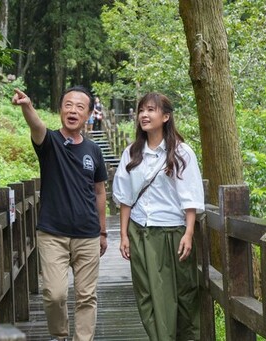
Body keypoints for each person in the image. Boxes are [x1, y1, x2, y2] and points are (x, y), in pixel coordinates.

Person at [12, 86, 109, 341]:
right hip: (52, 233)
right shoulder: (50, 142)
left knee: (86, 296)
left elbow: (100, 192)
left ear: (88, 114)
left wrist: (102, 231)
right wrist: (27, 106)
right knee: (55, 294)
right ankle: (59, 335)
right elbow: (36, 126)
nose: (73, 110)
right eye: (68, 105)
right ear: (60, 110)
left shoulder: (94, 150)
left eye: (79, 107)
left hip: (87, 234)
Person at [112, 92, 204, 341]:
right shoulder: (131, 152)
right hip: (140, 231)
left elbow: (191, 197)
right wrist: (123, 235)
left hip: (172, 231)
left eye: (151, 110)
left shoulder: (182, 152)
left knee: (181, 294)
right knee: (147, 295)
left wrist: (188, 232)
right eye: (141, 110)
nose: (144, 115)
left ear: (165, 116)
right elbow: (125, 198)